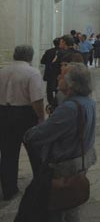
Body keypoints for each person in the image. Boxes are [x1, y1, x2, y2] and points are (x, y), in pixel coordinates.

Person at [24, 63, 96, 222]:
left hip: (66, 166)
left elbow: (37, 136)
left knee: (59, 208)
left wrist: (30, 132)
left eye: (62, 75)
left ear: (71, 83)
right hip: (80, 158)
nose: (58, 77)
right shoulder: (87, 101)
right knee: (71, 205)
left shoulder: (70, 108)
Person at [0, 45, 45, 200]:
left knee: (8, 153)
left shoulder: (3, 71)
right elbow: (37, 99)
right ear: (30, 57)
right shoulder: (32, 72)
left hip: (4, 114)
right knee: (35, 152)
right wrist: (41, 118)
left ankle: (9, 189)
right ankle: (40, 186)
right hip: (25, 115)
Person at [40, 38, 60, 107]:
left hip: (50, 73)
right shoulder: (63, 51)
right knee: (58, 88)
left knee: (49, 90)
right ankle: (57, 103)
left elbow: (42, 61)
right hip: (59, 73)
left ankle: (50, 103)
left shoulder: (48, 51)